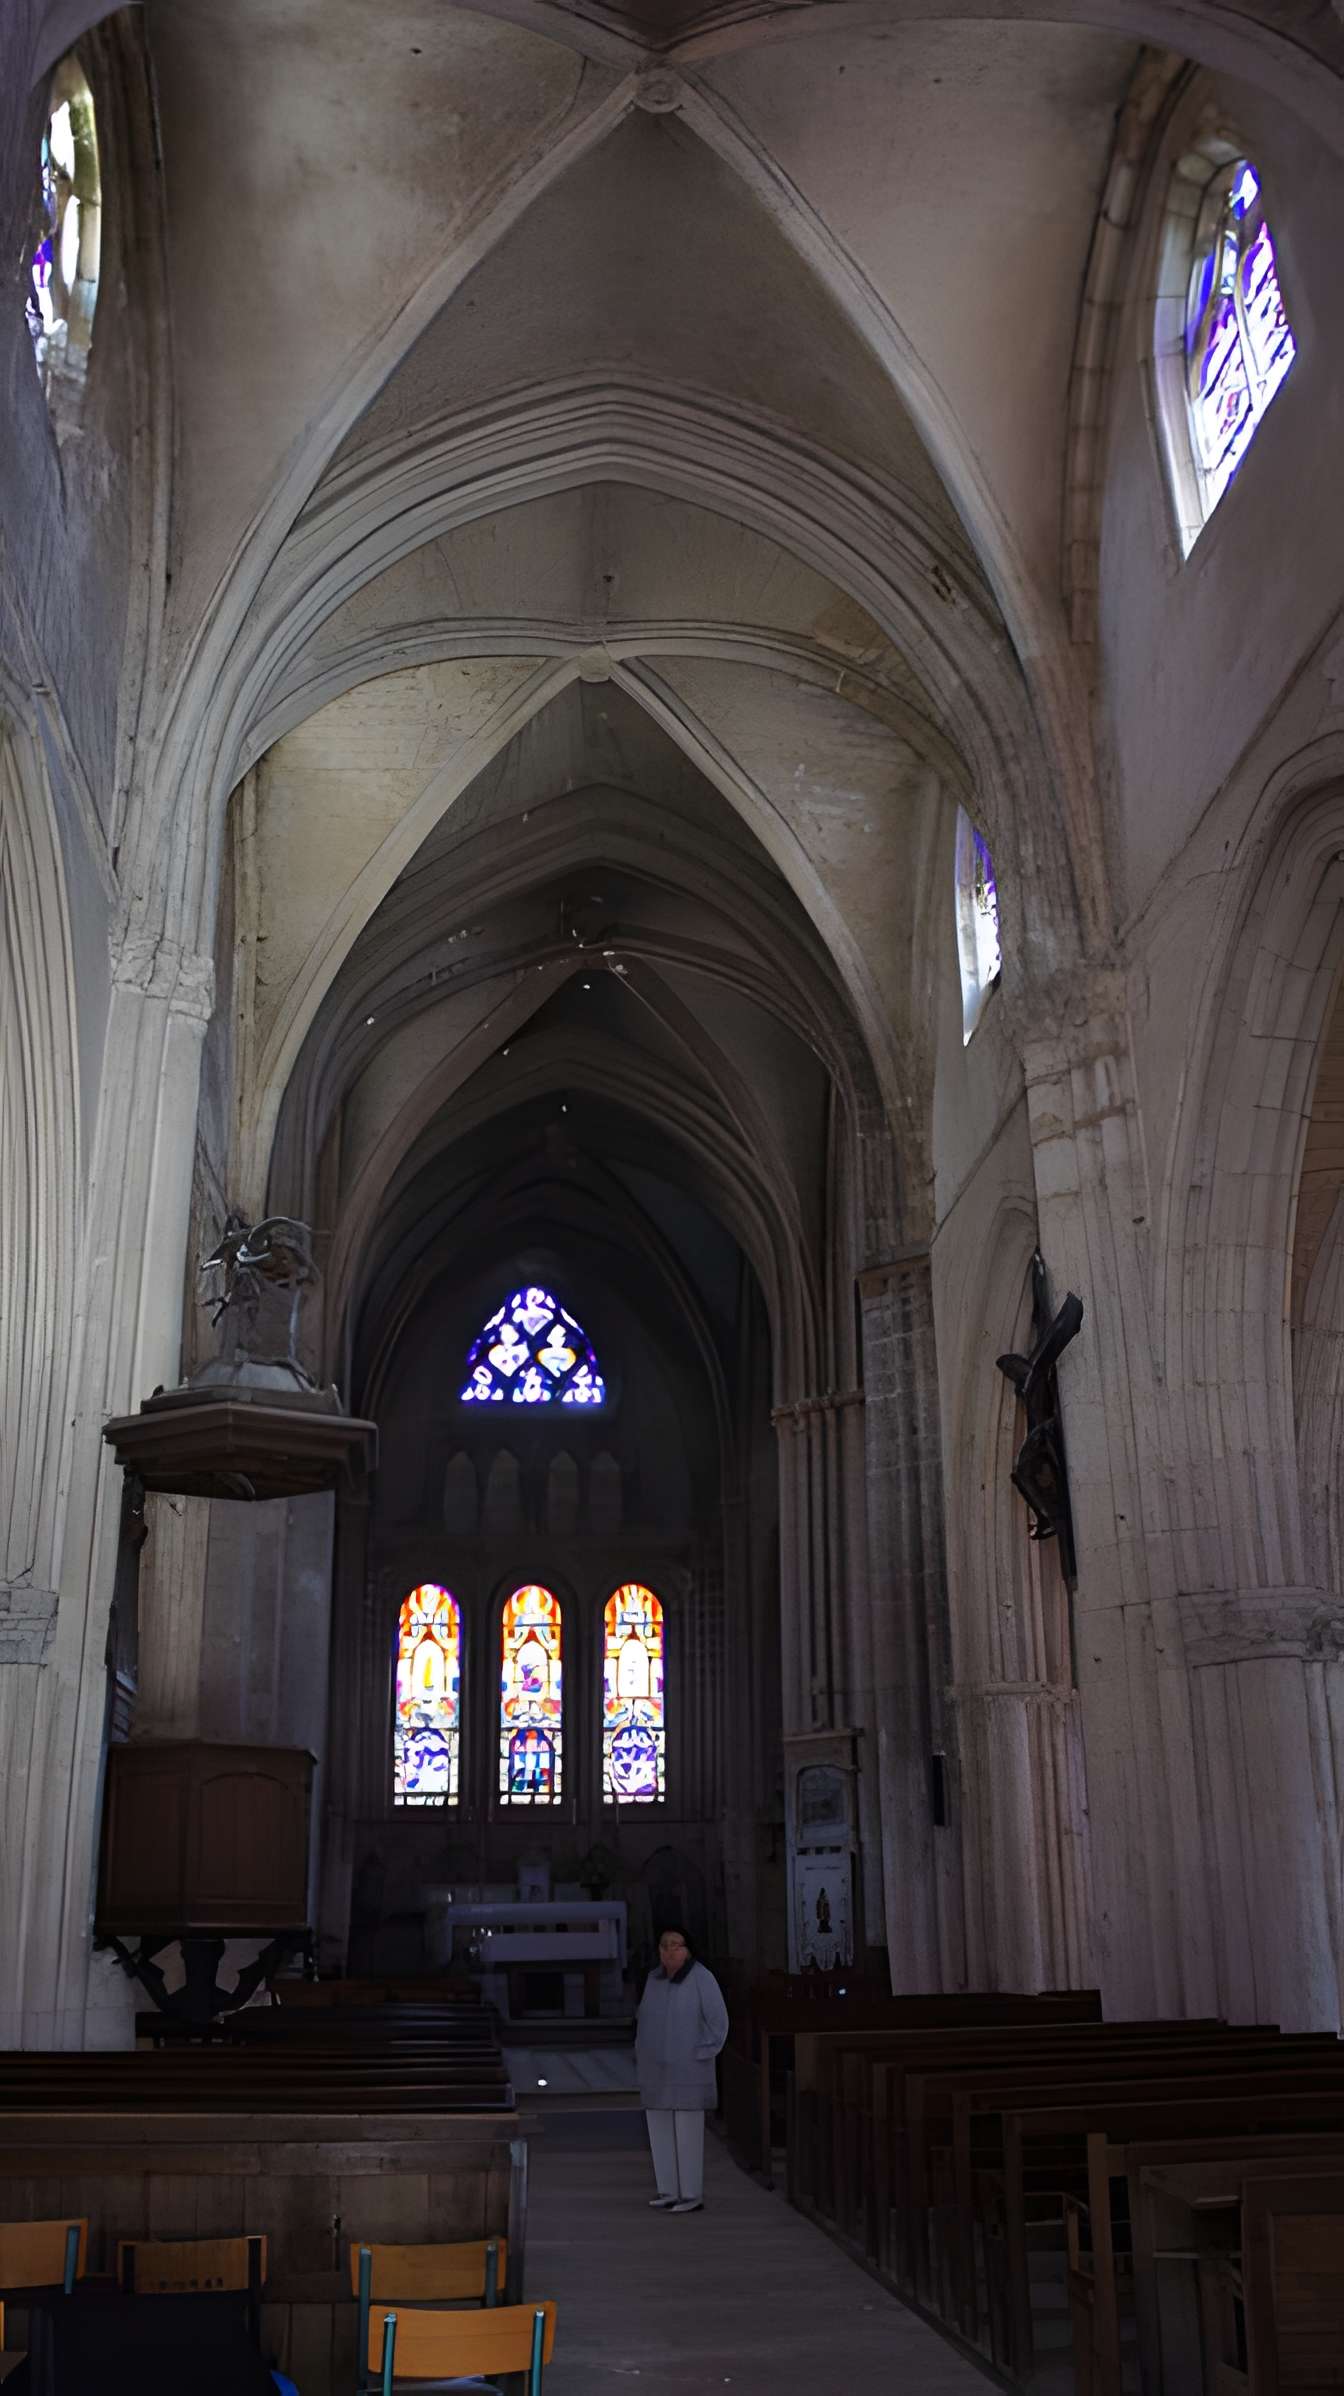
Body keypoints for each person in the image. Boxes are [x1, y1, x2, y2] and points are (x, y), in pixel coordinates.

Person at [635, 1925, 729, 2214]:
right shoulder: (654, 1979)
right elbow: (645, 2018)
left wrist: (701, 2052)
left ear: (688, 1949)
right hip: (656, 2068)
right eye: (665, 1945)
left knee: (687, 2130)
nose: (670, 1950)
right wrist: (642, 2049)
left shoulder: (702, 1978)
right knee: (659, 2127)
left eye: (676, 1945)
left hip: (688, 2067)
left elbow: (718, 2021)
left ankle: (690, 2194)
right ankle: (668, 2190)